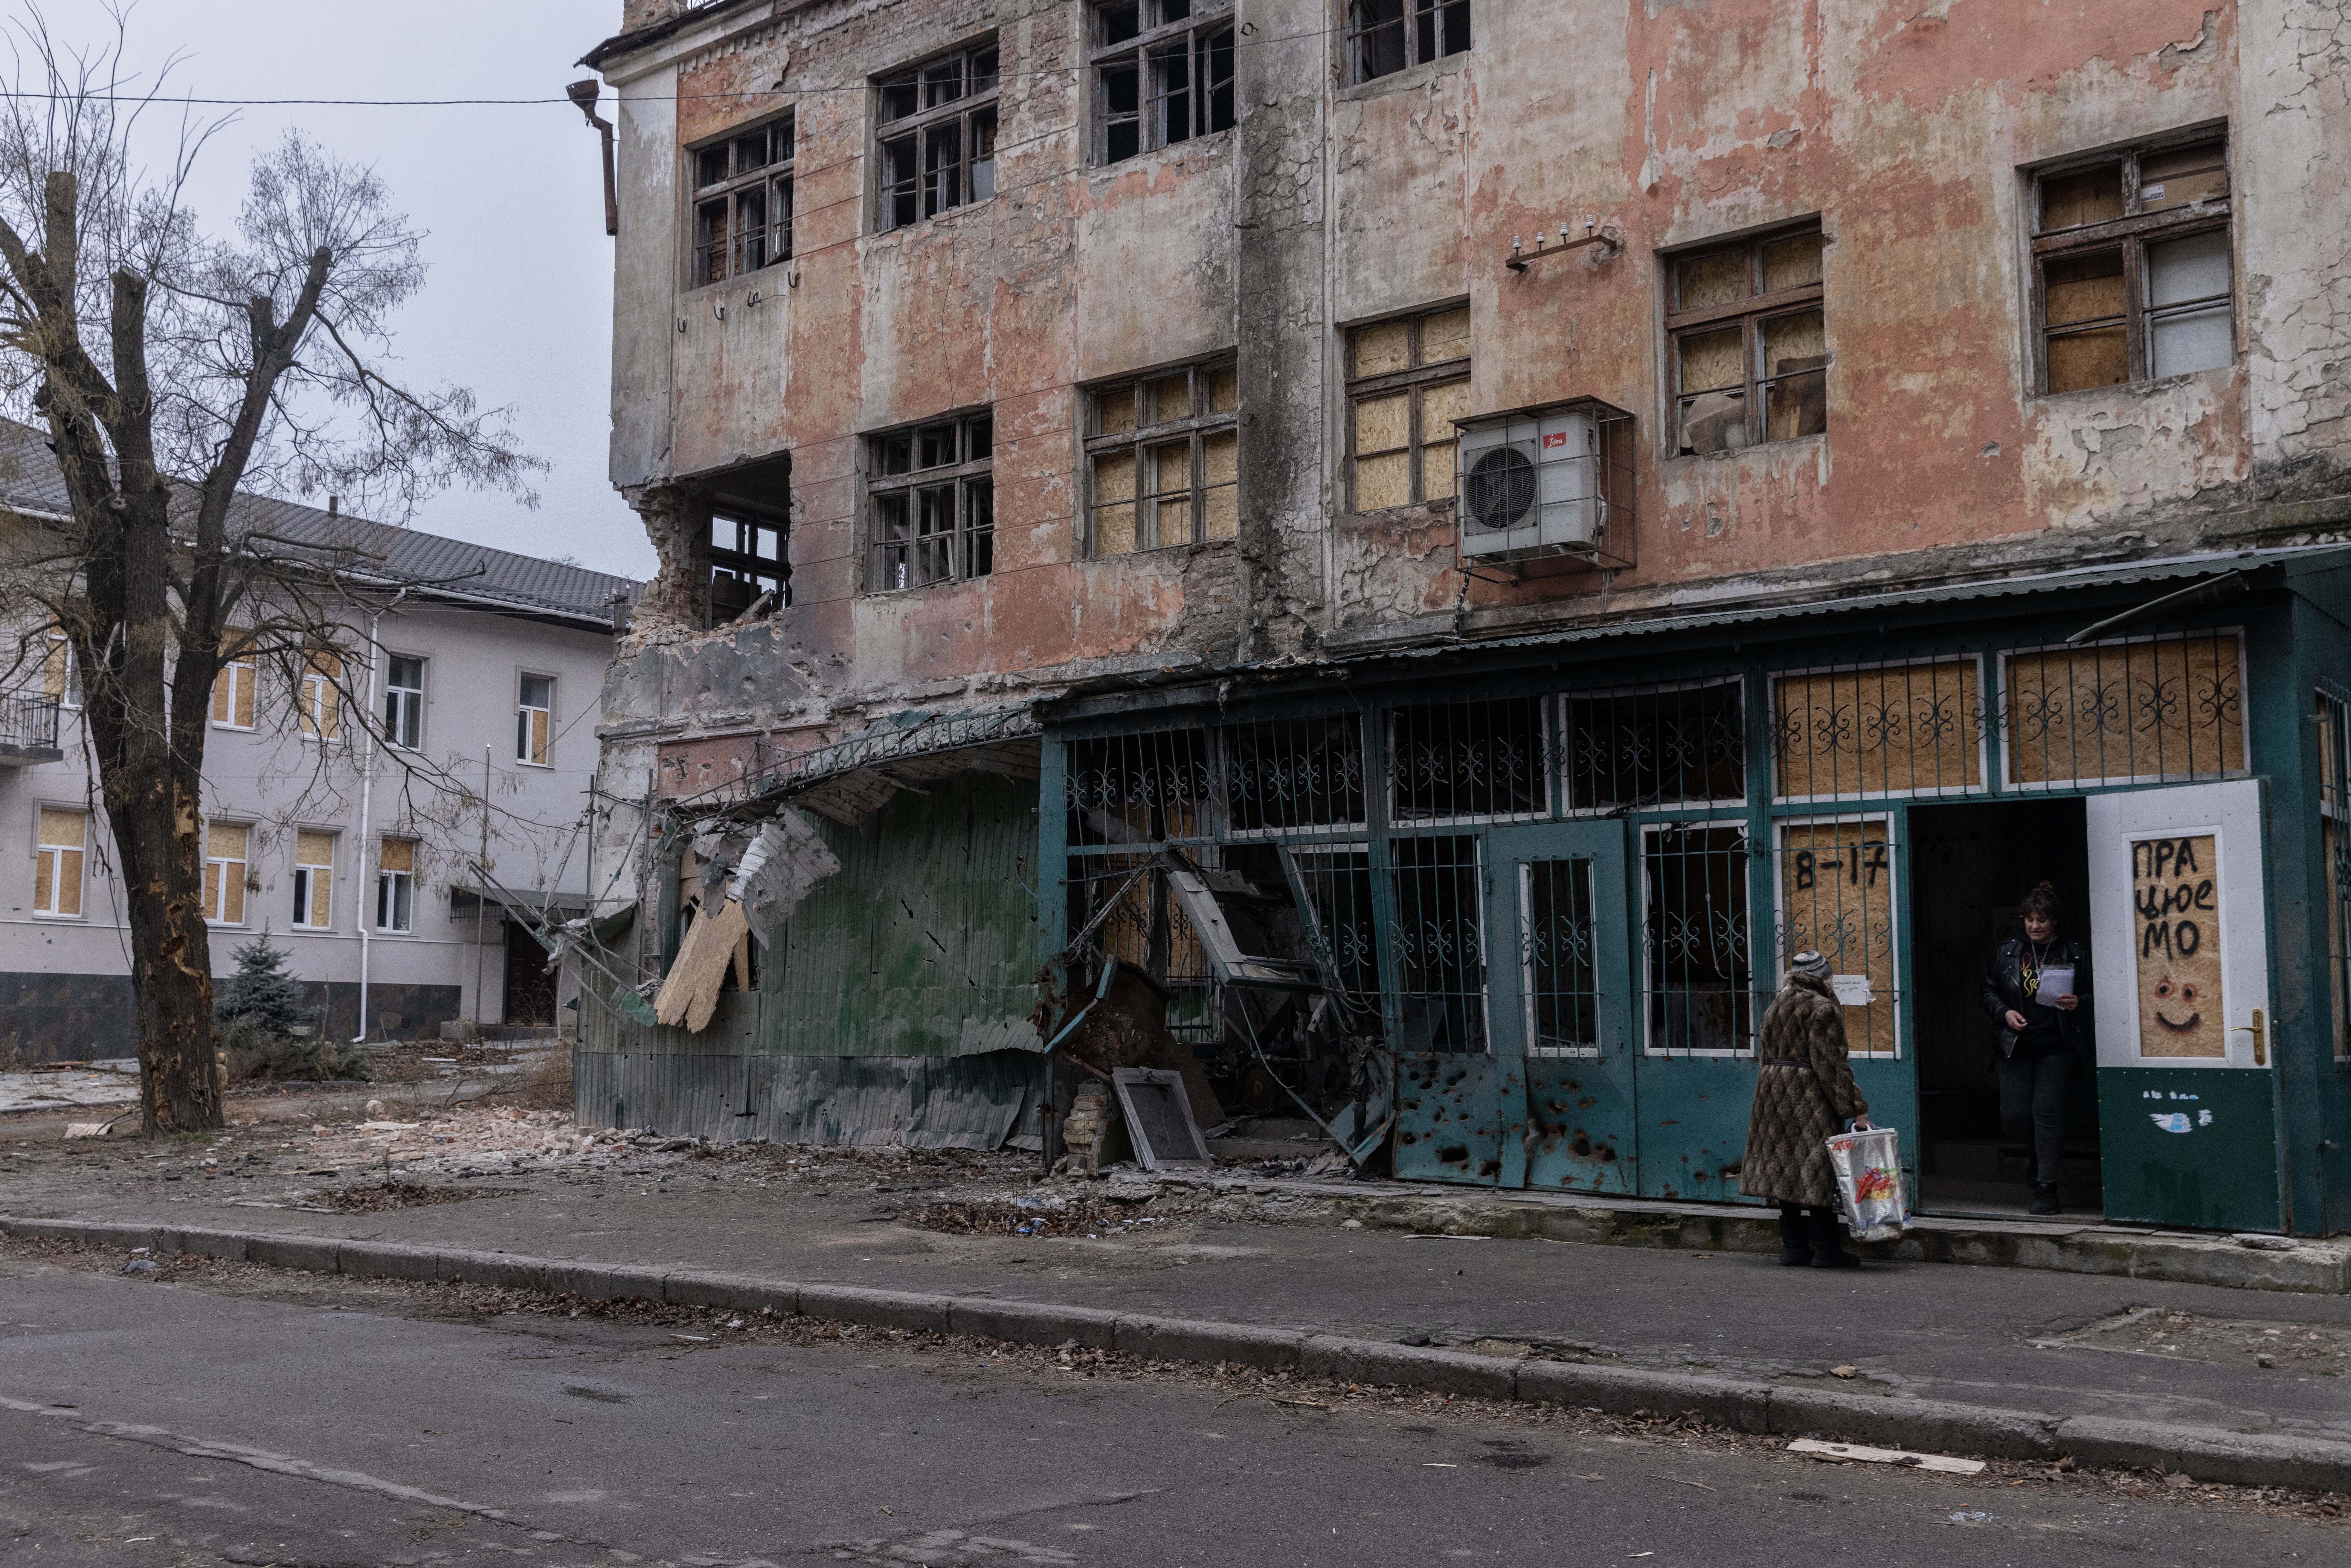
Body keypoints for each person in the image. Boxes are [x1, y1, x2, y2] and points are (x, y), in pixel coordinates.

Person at [1741, 950, 1873, 1268]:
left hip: (1772, 1095)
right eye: (1829, 974)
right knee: (1818, 1172)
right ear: (1821, 977)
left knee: (1784, 1170)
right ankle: (1828, 1251)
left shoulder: (1776, 1006)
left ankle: (1794, 1248)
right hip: (1809, 1097)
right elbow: (1831, 1065)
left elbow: (1764, 1054)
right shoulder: (1822, 1008)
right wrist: (1856, 1106)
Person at [1981, 880, 2091, 1216]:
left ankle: (2047, 1188)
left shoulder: (2073, 951)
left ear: (2054, 920)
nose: (2035, 925)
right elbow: (1988, 991)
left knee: (2046, 1114)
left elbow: (2096, 992)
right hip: (2016, 1045)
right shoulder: (2008, 950)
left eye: (2042, 919)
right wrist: (2005, 1013)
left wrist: (2079, 1002)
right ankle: (2038, 1160)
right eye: (2030, 919)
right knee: (2015, 1116)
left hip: (2057, 1045)